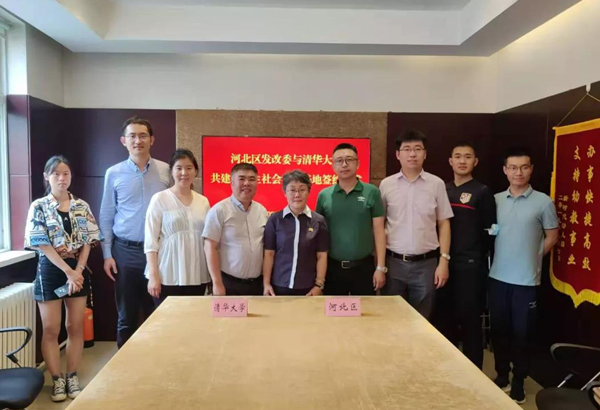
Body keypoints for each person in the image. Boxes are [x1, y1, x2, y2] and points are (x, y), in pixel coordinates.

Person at [24, 156, 102, 402]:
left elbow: (89, 240)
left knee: (75, 327)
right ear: (46, 177)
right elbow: (41, 243)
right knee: (51, 329)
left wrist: (78, 270)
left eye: (65, 173)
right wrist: (68, 272)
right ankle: (57, 379)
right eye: (56, 174)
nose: (61, 178)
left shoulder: (81, 205)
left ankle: (72, 375)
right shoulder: (39, 206)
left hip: (78, 268)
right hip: (50, 269)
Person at [489, 147, 558, 404]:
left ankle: (519, 380)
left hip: (526, 281)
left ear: (531, 170)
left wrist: (534, 256)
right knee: (499, 330)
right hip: (497, 277)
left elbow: (552, 236)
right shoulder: (495, 200)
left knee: (522, 334)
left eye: (524, 167)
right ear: (505, 170)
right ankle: (502, 375)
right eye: (513, 168)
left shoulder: (543, 202)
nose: (518, 172)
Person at [98, 116, 170, 348]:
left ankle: (155, 363)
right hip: (125, 252)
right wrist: (107, 254)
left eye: (143, 136)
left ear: (152, 140)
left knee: (157, 314)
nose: (138, 141)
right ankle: (123, 365)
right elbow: (106, 215)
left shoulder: (166, 171)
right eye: (132, 136)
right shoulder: (113, 173)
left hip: (159, 252)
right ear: (123, 141)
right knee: (126, 316)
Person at [434, 142, 496, 369]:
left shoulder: (482, 191)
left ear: (475, 161)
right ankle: (448, 369)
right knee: (444, 320)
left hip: (470, 266)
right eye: (458, 156)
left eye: (468, 156)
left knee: (470, 321)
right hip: (441, 264)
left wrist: (476, 255)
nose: (462, 161)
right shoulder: (442, 189)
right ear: (450, 161)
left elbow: (491, 231)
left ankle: (474, 372)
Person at [379, 130, 453, 319]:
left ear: (425, 154)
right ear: (398, 154)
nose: (412, 154)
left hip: (426, 265)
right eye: (407, 149)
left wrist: (444, 261)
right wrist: (379, 266)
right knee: (392, 318)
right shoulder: (386, 185)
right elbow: (379, 226)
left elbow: (444, 223)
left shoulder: (436, 184)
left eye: (417, 149)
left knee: (422, 320)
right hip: (393, 263)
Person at [316, 143, 387, 295]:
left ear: (358, 163)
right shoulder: (324, 195)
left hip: (364, 267)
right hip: (332, 268)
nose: (344, 164)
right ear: (333, 165)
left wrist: (380, 267)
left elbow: (379, 231)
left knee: (365, 309)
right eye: (339, 160)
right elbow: (318, 234)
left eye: (349, 159)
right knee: (333, 309)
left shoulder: (372, 192)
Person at [145, 149, 211, 306]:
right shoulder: (159, 199)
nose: (184, 173)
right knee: (167, 319)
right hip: (167, 274)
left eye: (189, 168)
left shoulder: (203, 201)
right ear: (172, 171)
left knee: (193, 318)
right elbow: (150, 241)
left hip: (197, 274)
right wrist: (153, 275)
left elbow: (207, 240)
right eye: (179, 168)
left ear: (196, 171)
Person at [202, 163, 268, 296]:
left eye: (252, 179)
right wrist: (217, 283)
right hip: (228, 284)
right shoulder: (219, 210)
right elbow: (210, 247)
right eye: (242, 179)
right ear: (232, 183)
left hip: (257, 284)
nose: (247, 183)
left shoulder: (262, 210)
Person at [263, 170, 329, 296]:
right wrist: (266, 284)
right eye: (292, 190)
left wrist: (319, 285)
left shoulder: (318, 221)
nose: (297, 195)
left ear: (308, 191)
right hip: (278, 287)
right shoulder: (275, 220)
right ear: (285, 193)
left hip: (308, 288)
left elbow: (322, 255)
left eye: (302, 189)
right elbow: (269, 254)